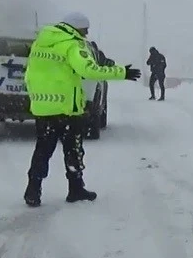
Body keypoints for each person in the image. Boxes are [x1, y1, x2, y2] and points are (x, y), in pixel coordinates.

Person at [23, 12, 142, 207]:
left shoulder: (40, 43)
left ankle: (33, 190)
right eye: (85, 31)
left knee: (43, 150)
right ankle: (75, 188)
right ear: (77, 28)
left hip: (43, 107)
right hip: (67, 108)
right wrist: (122, 72)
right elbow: (89, 69)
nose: (85, 35)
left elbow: (29, 73)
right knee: (73, 149)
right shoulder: (72, 44)